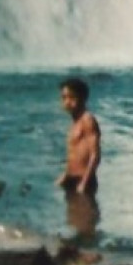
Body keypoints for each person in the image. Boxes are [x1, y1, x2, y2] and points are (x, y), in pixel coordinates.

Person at [56, 77, 101, 238]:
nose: (67, 102)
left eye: (72, 98)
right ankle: (79, 254)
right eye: (64, 98)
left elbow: (95, 155)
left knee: (86, 222)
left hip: (84, 179)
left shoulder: (87, 120)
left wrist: (84, 182)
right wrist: (64, 175)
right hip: (72, 178)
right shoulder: (74, 123)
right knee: (73, 219)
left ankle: (90, 254)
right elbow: (74, 154)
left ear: (83, 98)